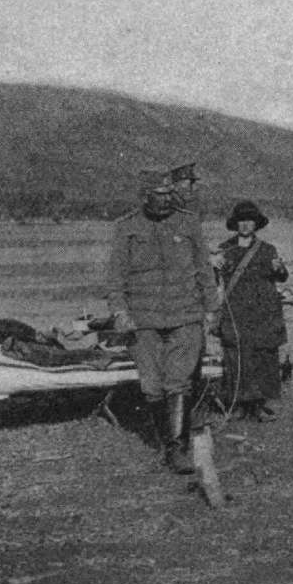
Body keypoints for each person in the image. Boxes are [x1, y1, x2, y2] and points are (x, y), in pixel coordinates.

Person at [106, 164, 220, 473]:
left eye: (170, 192)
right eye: (160, 193)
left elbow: (204, 269)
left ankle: (176, 449)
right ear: (145, 196)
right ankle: (166, 441)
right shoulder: (126, 227)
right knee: (152, 387)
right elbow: (115, 277)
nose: (167, 198)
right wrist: (120, 312)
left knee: (179, 382)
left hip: (185, 314)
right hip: (143, 320)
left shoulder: (188, 222)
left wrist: (212, 308)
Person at [215, 200, 289, 422]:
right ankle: (238, 404)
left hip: (264, 312)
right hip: (236, 312)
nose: (246, 224)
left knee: (264, 357)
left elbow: (282, 277)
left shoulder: (267, 249)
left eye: (250, 220)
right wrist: (213, 264)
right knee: (235, 356)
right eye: (241, 221)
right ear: (235, 224)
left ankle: (259, 405)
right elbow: (212, 280)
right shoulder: (224, 249)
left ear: (256, 224)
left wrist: (280, 268)